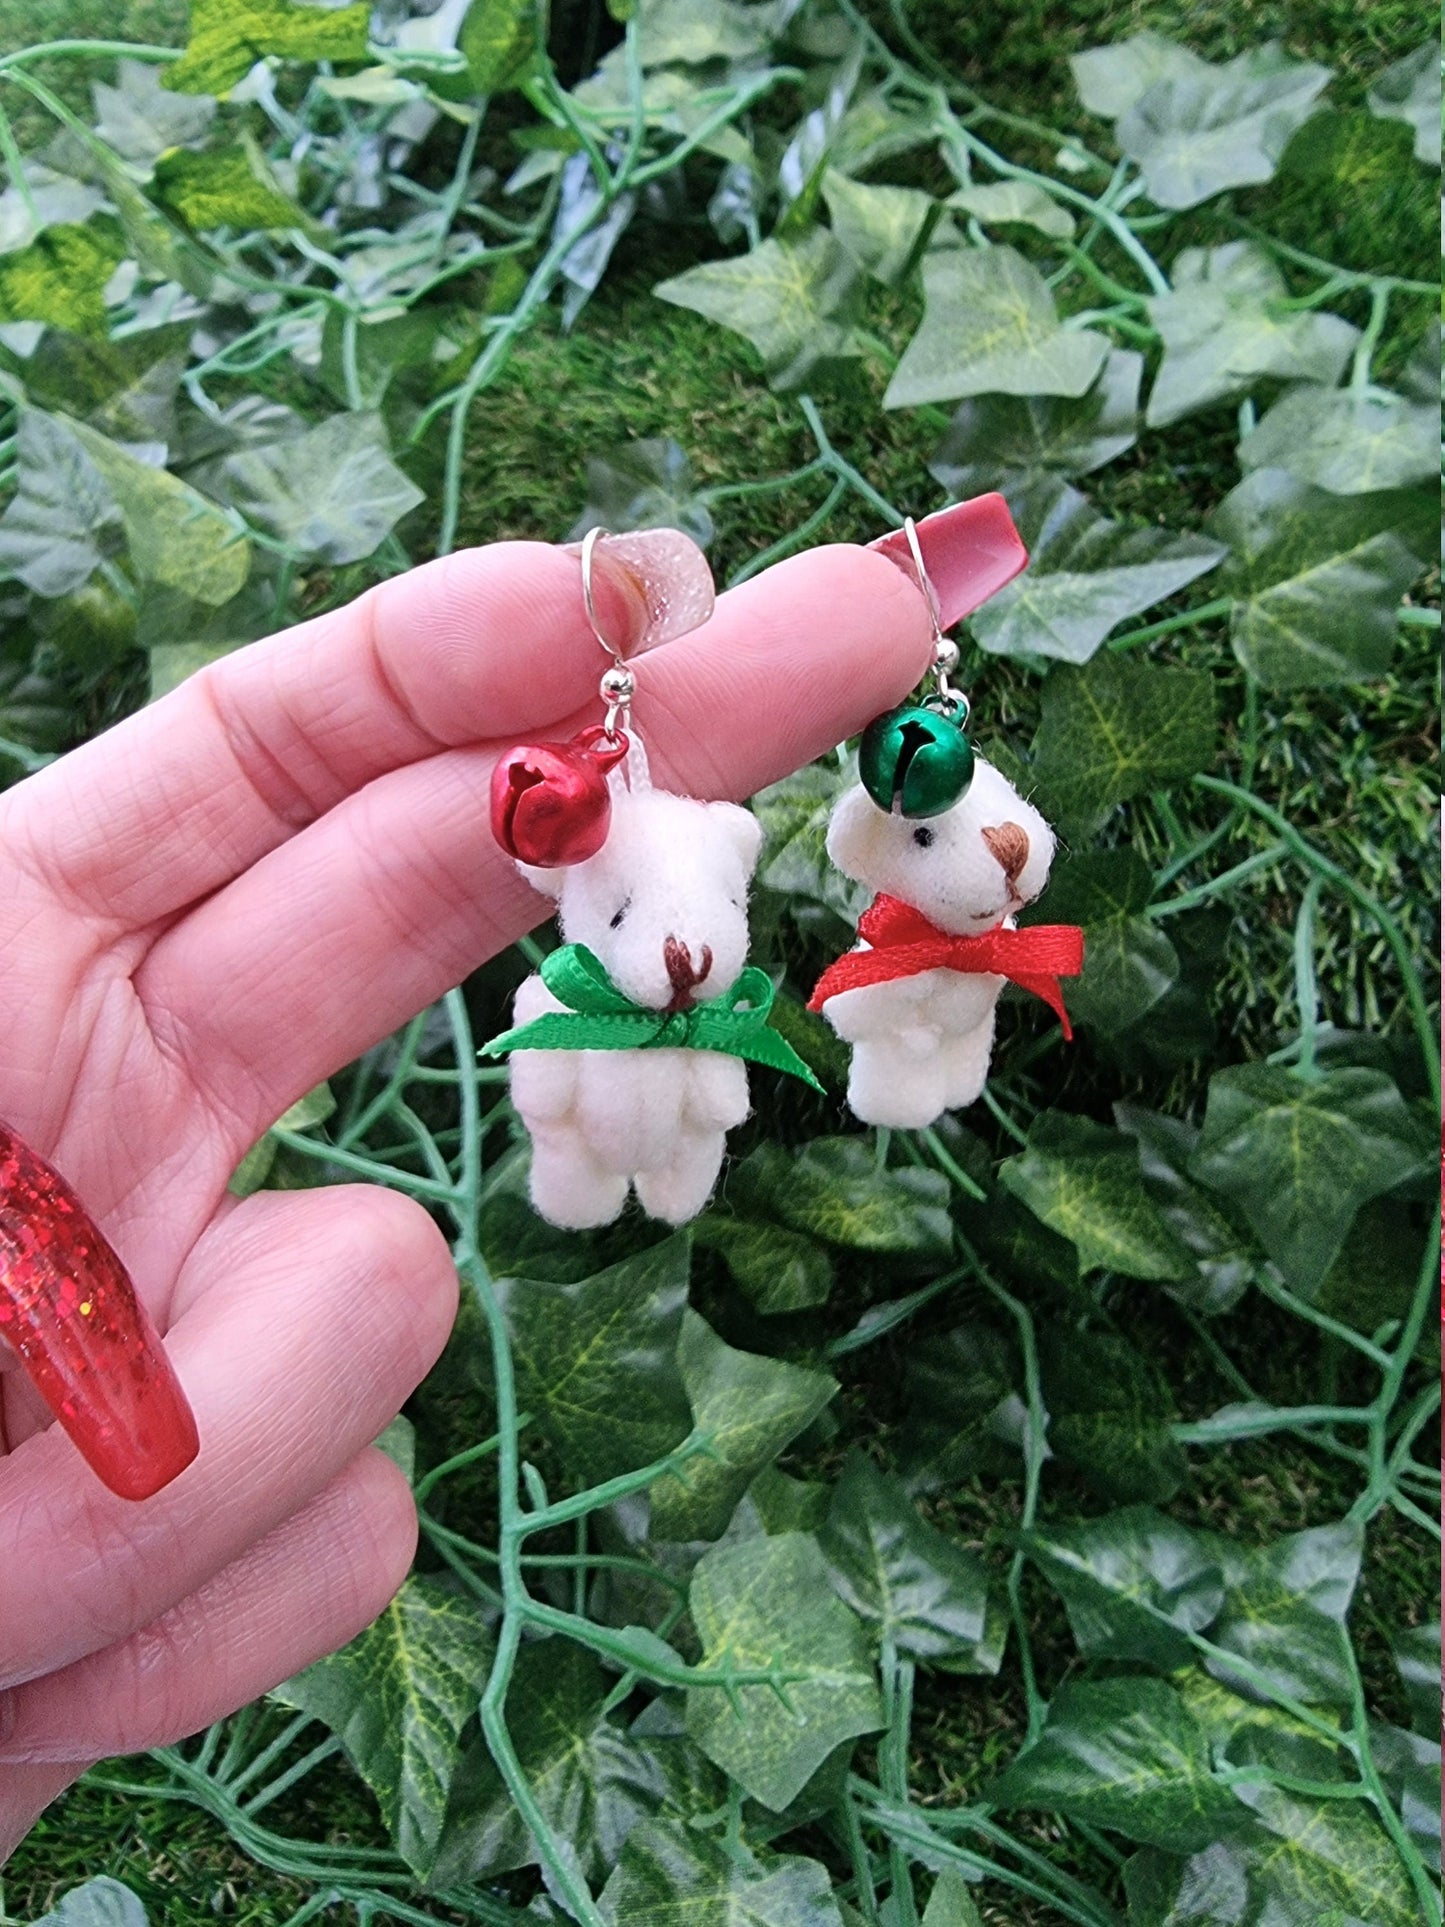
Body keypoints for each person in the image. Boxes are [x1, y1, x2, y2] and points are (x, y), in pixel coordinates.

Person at [0, 534, 930, 1857]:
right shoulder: (565, 974)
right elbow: (551, 1067)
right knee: (450, 1247)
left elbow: (719, 1077)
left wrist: (708, 1095)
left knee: (626, 1171)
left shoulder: (696, 899)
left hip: (661, 1087)